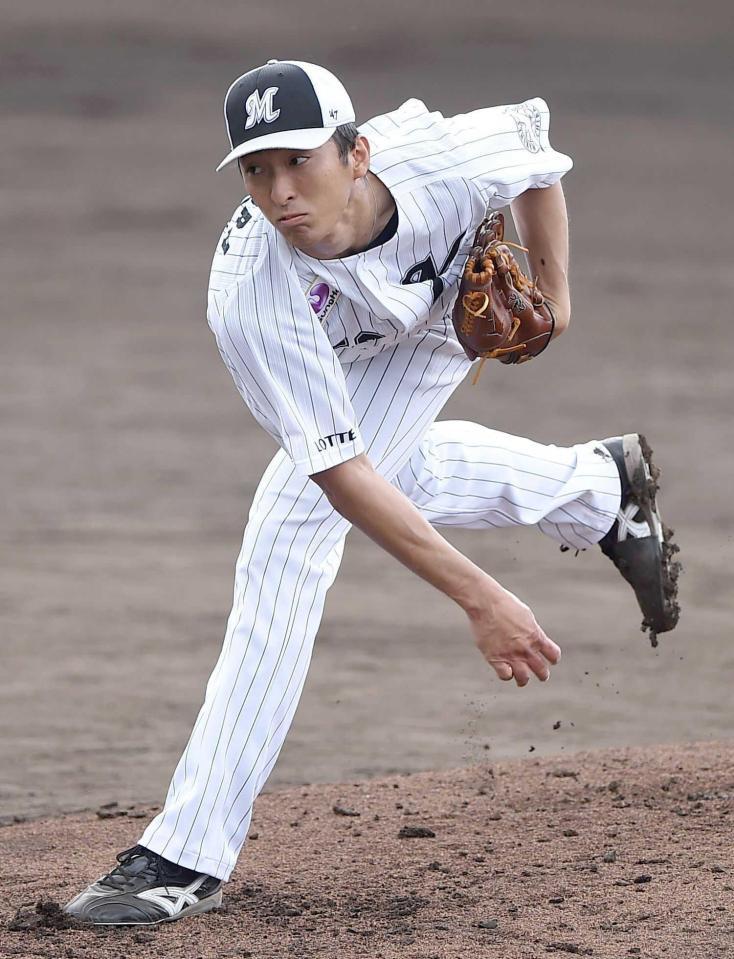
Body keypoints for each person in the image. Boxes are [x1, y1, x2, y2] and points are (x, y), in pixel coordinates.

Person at [64, 59, 678, 926]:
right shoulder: (250, 290)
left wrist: (555, 294)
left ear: (356, 153)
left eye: (299, 161)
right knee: (372, 480)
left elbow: (535, 153)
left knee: (287, 529)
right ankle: (599, 487)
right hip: (338, 349)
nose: (279, 191)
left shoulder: (435, 159)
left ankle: (185, 853)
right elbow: (344, 473)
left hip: (438, 328)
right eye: (257, 169)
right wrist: (480, 594)